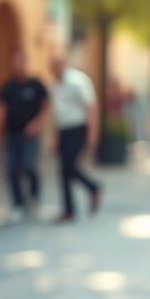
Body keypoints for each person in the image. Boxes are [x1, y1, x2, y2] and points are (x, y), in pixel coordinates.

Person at [0, 48, 49, 223]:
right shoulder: (7, 87)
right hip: (12, 134)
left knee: (29, 165)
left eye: (21, 61)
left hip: (30, 134)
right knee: (12, 168)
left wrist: (37, 124)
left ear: (26, 62)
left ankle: (34, 195)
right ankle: (18, 204)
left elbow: (46, 107)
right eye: (15, 62)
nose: (18, 65)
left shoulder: (36, 85)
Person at [49, 53, 102, 223]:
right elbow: (57, 114)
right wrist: (55, 137)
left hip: (77, 128)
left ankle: (91, 188)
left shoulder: (78, 81)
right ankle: (70, 208)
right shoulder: (54, 86)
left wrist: (92, 133)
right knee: (64, 170)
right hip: (64, 130)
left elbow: (91, 106)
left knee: (68, 167)